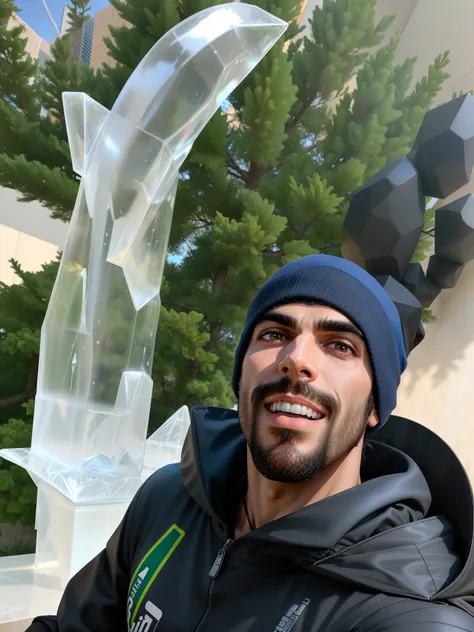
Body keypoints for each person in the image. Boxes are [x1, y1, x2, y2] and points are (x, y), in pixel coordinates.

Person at [28, 255, 474, 632]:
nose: (297, 359)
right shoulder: (166, 500)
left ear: (376, 405)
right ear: (241, 376)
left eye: (339, 346)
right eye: (275, 335)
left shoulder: (409, 615)